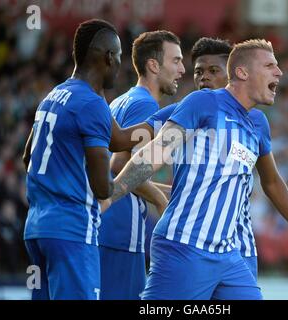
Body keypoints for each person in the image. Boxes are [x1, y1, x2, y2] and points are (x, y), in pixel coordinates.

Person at [109, 39, 288, 300]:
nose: (203, 78)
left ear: (232, 72)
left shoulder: (257, 123)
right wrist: (112, 194)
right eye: (199, 71)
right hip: (186, 244)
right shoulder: (195, 106)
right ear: (242, 72)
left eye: (213, 70)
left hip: (234, 249)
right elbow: (147, 149)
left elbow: (272, 182)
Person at [22, 19, 122, 300]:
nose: (120, 65)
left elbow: (27, 156)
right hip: (72, 230)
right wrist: (128, 181)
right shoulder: (92, 103)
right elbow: (103, 188)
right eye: (120, 57)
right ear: (108, 58)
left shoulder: (54, 95)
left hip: (37, 230)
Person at [98, 30, 185, 300]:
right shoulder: (145, 105)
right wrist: (160, 200)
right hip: (120, 231)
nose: (182, 69)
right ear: (153, 65)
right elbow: (119, 166)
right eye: (176, 61)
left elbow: (121, 171)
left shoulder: (122, 100)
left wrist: (170, 192)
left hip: (104, 227)